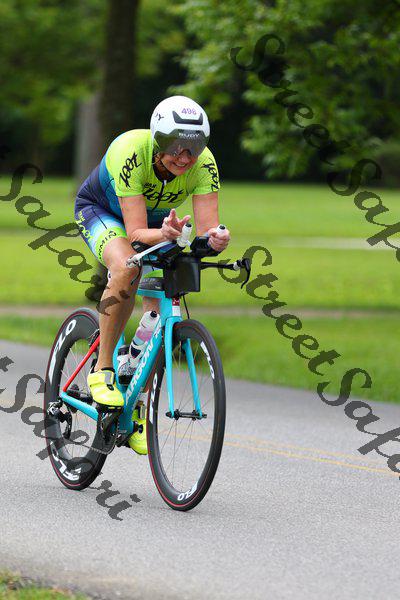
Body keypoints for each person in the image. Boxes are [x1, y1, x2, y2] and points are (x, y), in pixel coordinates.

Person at [74, 95, 230, 453]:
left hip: (161, 224)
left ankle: (137, 399)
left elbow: (206, 229)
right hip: (103, 212)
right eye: (176, 147)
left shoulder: (204, 164)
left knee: (161, 310)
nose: (185, 157)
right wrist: (164, 234)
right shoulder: (132, 151)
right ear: (158, 141)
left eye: (194, 148)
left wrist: (217, 239)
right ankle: (102, 369)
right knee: (126, 266)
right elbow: (134, 234)